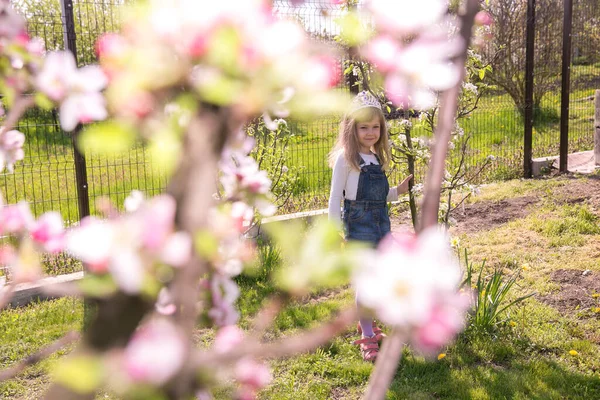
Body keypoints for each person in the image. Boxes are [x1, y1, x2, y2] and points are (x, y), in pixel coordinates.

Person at [327, 90, 412, 362]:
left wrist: (397, 191)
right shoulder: (346, 159)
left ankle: (369, 324)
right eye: (364, 127)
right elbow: (335, 197)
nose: (370, 132)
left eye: (375, 127)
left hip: (381, 226)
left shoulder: (376, 157)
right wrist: (334, 231)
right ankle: (366, 336)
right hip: (358, 228)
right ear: (352, 129)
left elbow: (377, 195)